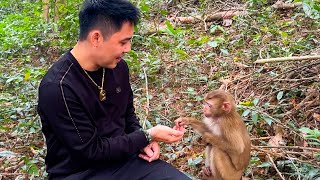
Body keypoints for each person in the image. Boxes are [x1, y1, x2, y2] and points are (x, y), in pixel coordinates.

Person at [37, 0, 189, 179]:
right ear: (96, 38)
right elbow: (91, 150)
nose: (128, 49)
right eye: (123, 42)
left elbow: (127, 115)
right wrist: (146, 136)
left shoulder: (118, 68)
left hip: (124, 161)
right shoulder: (58, 87)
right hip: (79, 173)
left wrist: (142, 141)